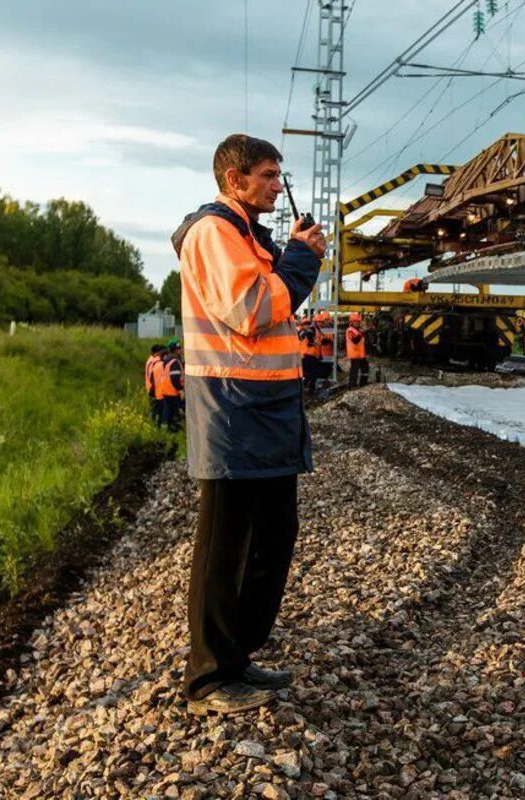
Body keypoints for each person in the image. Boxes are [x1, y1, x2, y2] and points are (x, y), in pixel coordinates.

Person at [171, 133, 326, 715]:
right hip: (233, 409)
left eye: (277, 174)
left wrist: (291, 255)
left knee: (272, 536)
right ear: (233, 179)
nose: (276, 185)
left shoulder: (245, 236)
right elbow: (254, 311)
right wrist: (302, 256)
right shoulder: (214, 233)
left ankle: (236, 657)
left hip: (265, 408)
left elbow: (271, 301)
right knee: (224, 546)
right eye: (265, 174)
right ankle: (207, 678)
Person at [159, 340, 184, 430]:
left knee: (168, 411)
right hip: (173, 391)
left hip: (166, 390)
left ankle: (166, 429)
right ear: (175, 350)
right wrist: (180, 389)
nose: (181, 350)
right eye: (179, 348)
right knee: (176, 412)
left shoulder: (168, 359)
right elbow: (174, 377)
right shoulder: (174, 362)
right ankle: (175, 430)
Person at [345, 312, 369, 387]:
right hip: (355, 354)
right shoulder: (350, 330)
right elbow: (355, 340)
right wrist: (361, 332)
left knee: (365, 369)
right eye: (356, 321)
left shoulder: (357, 330)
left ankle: (363, 384)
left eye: (359, 321)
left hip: (361, 354)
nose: (358, 323)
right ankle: (352, 385)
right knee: (354, 370)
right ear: (352, 322)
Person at [145, 344, 164, 425]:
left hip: (151, 388)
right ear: (157, 353)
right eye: (161, 353)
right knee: (156, 410)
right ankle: (155, 426)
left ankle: (153, 424)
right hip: (155, 389)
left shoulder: (150, 360)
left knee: (154, 409)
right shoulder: (155, 362)